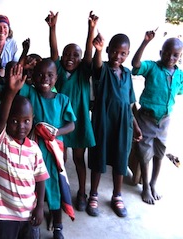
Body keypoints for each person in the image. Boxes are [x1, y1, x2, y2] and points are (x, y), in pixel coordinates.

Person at [0, 64, 49, 239]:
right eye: (14, 121)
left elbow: (41, 177)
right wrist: (10, 92)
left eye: (26, 121)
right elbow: (1, 120)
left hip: (29, 214)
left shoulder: (34, 148)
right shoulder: (0, 143)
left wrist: (39, 208)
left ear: (32, 120)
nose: (21, 126)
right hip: (3, 216)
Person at [46, 11, 98, 212]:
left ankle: (82, 193)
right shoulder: (57, 69)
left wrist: (91, 29)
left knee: (78, 159)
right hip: (60, 122)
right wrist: (52, 28)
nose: (70, 58)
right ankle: (60, 191)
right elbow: (54, 52)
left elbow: (88, 54)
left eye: (75, 55)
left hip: (80, 121)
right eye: (67, 54)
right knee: (61, 159)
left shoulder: (84, 71)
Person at [19, 58, 77, 239]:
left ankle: (58, 225)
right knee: (33, 185)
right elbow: (16, 80)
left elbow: (72, 124)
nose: (45, 78)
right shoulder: (30, 93)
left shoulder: (62, 99)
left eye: (50, 75)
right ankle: (34, 219)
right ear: (33, 78)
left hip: (53, 151)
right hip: (33, 148)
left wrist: (56, 132)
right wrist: (23, 65)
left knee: (54, 187)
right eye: (40, 75)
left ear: (56, 78)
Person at [87, 32, 142, 218]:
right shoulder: (102, 71)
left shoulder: (126, 74)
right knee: (98, 158)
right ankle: (93, 194)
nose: (118, 56)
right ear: (108, 50)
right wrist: (99, 51)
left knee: (120, 160)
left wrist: (135, 125)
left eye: (123, 53)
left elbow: (129, 103)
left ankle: (117, 196)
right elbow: (97, 65)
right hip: (103, 122)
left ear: (127, 54)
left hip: (123, 124)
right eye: (114, 52)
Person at [131, 31, 183, 204]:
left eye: (176, 55)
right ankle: (145, 185)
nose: (171, 57)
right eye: (167, 53)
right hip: (146, 118)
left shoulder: (179, 75)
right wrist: (145, 42)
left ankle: (154, 183)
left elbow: (179, 91)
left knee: (160, 154)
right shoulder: (152, 67)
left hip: (165, 120)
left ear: (180, 56)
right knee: (145, 153)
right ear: (161, 53)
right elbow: (136, 65)